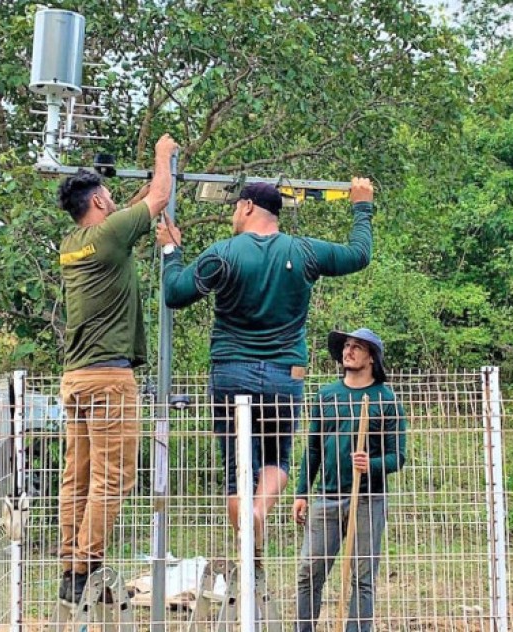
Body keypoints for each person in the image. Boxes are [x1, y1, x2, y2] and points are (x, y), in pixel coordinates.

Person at [156, 178, 374, 563]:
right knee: (278, 459)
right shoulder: (304, 251)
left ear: (248, 207)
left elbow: (175, 293)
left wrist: (171, 249)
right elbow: (359, 254)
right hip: (284, 375)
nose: (233, 216)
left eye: (235, 209)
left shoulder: (222, 254)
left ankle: (247, 537)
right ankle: (259, 510)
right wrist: (361, 206)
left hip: (231, 372)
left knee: (236, 468)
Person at [56, 133, 178, 604]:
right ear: (99, 201)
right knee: (112, 478)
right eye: (107, 197)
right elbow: (159, 196)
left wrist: (138, 190)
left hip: (75, 377)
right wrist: (162, 155)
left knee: (78, 477)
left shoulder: (75, 242)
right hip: (109, 378)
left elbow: (134, 208)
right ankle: (87, 569)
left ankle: (71, 565)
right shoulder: (109, 234)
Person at [293, 328, 407, 632]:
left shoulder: (386, 399)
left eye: (357, 347)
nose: (349, 351)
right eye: (346, 346)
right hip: (326, 497)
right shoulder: (327, 396)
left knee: (362, 577)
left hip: (369, 499)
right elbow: (313, 447)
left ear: (371, 357)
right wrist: (302, 491)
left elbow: (399, 456)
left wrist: (370, 464)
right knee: (308, 572)